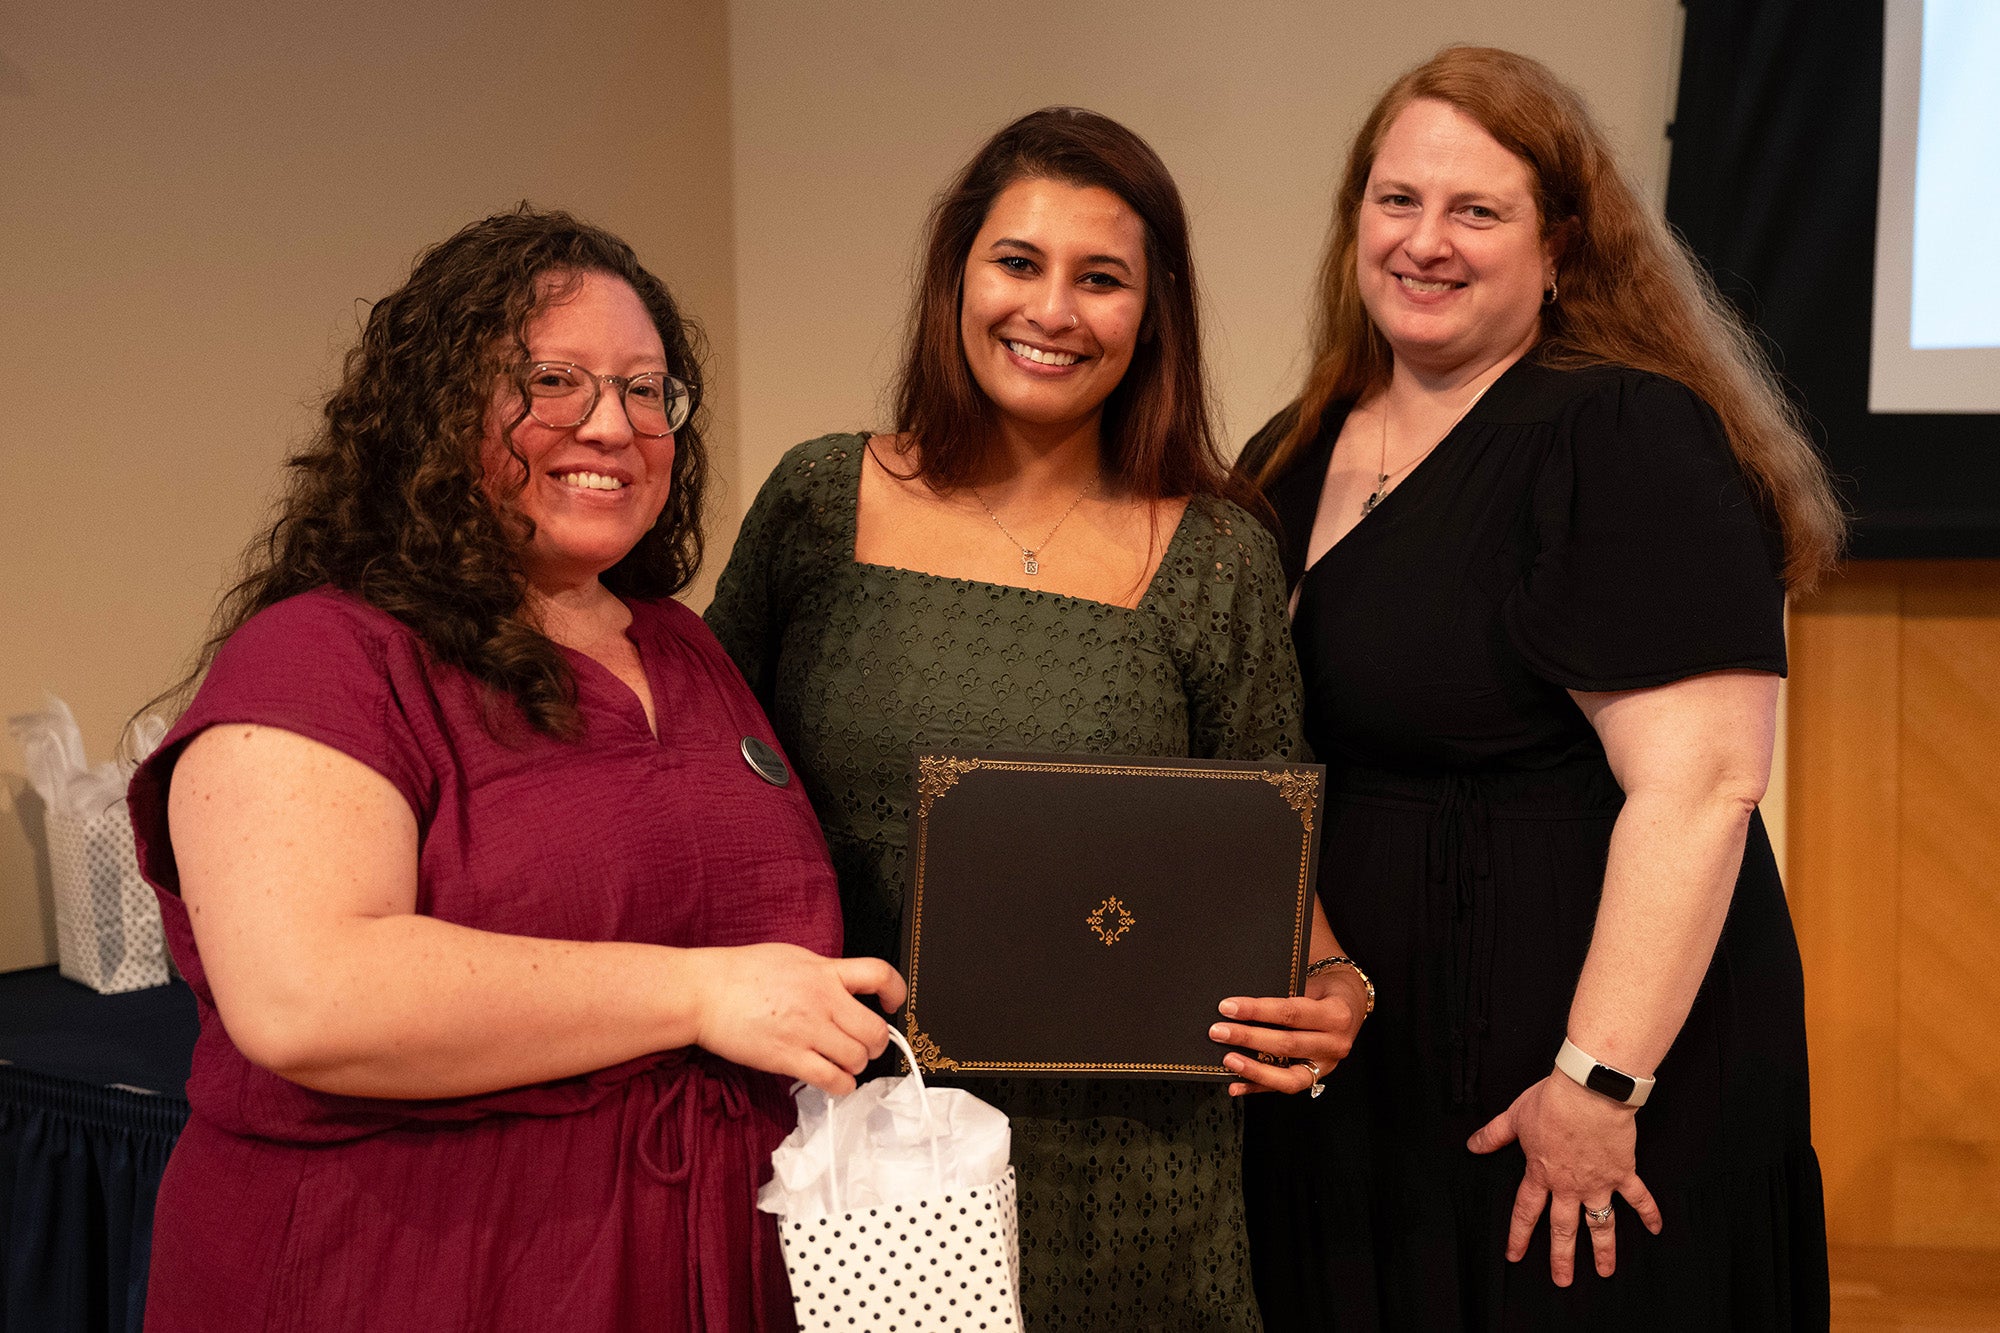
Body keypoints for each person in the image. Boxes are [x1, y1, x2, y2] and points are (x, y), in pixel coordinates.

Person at [125, 207, 905, 1332]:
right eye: (553, 380)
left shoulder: (680, 650)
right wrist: (697, 992)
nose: (613, 424)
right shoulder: (323, 656)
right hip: (414, 1271)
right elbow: (306, 997)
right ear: (438, 412)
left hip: (704, 1269)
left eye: (648, 391)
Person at [705, 107, 1365, 1331]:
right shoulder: (815, 499)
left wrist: (1334, 981)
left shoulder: (1216, 552)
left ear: (1150, 312)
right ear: (958, 273)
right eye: (1017, 263)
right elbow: (700, 772)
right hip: (856, 1132)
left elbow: (1265, 837)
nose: (1050, 311)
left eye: (1099, 278)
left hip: (1129, 1166)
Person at [1236, 46, 1844, 1329]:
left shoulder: (1620, 433)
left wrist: (1596, 1079)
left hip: (1574, 1078)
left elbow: (1700, 784)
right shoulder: (1288, 450)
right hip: (1362, 1074)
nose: (1425, 242)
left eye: (1476, 211)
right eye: (1396, 200)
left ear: (1561, 246)